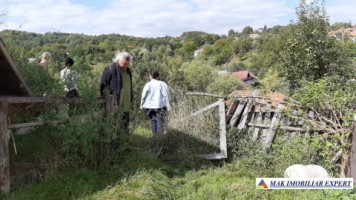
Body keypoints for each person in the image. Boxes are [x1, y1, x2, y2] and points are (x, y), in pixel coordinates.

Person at [100, 51, 133, 131]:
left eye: (127, 64)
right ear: (117, 60)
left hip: (126, 105)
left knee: (125, 128)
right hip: (114, 106)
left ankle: (124, 141)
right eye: (124, 64)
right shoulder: (110, 69)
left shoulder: (128, 71)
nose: (126, 66)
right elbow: (103, 87)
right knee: (114, 128)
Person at [140, 69, 171, 135]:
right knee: (160, 121)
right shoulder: (162, 84)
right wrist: (168, 106)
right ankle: (159, 138)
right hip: (160, 106)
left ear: (151, 76)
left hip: (150, 106)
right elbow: (166, 95)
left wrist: (141, 105)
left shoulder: (148, 84)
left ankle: (154, 137)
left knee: (152, 121)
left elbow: (143, 96)